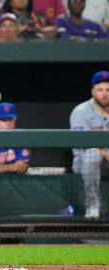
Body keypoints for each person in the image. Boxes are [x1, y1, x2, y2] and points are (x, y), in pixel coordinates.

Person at [70, 70, 109, 219]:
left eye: (108, 90)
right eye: (100, 90)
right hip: (84, 162)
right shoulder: (80, 111)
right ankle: (92, 206)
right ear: (93, 91)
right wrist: (106, 154)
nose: (104, 94)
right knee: (92, 154)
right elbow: (84, 144)